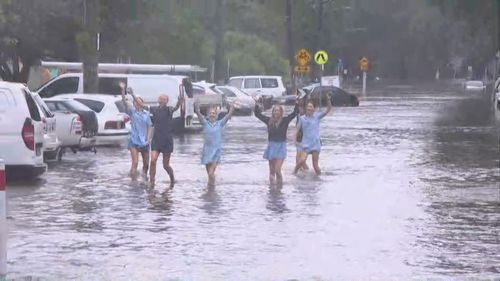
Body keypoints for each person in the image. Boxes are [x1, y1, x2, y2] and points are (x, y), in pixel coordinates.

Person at [254, 96, 299, 185]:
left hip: (281, 147)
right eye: (275, 111)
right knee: (272, 172)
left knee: (277, 170)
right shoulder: (268, 121)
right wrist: (256, 104)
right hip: (271, 146)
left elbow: (294, 113)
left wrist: (297, 102)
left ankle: (279, 187)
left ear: (281, 112)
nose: (276, 112)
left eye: (278, 110)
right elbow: (257, 115)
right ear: (273, 112)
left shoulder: (285, 121)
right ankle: (272, 191)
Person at [195, 101, 235, 185]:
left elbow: (228, 116)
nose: (212, 115)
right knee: (209, 175)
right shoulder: (205, 123)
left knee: (210, 173)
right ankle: (211, 188)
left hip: (216, 151)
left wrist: (231, 108)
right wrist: (197, 108)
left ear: (216, 115)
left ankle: (212, 189)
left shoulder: (220, 123)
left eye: (214, 113)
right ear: (207, 115)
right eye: (210, 113)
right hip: (206, 151)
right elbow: (199, 115)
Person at [149, 94, 183, 187]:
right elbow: (141, 105)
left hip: (167, 140)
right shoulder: (154, 109)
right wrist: (133, 95)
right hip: (156, 139)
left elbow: (176, 108)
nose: (161, 100)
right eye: (160, 98)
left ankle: (172, 179)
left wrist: (179, 102)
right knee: (153, 160)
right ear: (158, 99)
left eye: (164, 99)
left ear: (166, 101)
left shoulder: (169, 109)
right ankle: (151, 181)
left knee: (165, 165)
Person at [120, 84, 153, 179]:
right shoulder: (132, 112)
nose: (137, 103)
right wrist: (123, 91)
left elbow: (150, 126)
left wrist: (149, 138)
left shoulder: (146, 113)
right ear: (134, 104)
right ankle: (133, 181)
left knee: (146, 164)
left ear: (142, 103)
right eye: (135, 102)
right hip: (134, 139)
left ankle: (144, 179)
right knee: (135, 162)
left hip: (145, 141)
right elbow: (124, 102)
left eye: (139, 102)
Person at [294, 96, 332, 176]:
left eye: (311, 107)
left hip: (315, 144)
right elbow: (296, 130)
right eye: (308, 106)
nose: (309, 108)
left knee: (315, 166)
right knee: (301, 161)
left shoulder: (317, 116)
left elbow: (328, 110)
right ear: (305, 108)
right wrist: (295, 140)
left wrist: (328, 100)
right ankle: (294, 173)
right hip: (306, 144)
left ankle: (319, 178)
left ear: (314, 109)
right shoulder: (302, 118)